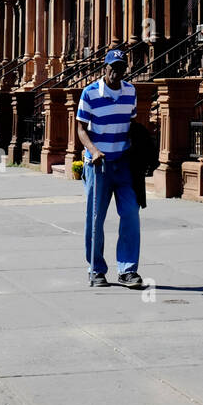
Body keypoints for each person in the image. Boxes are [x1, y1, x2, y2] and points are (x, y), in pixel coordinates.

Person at [76, 48, 143, 288]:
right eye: (112, 67)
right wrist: (93, 151)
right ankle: (96, 269)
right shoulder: (90, 93)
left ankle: (127, 270)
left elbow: (131, 123)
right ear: (104, 68)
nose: (116, 72)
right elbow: (81, 128)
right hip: (99, 164)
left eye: (121, 68)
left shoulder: (131, 92)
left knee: (131, 215)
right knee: (95, 218)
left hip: (124, 163)